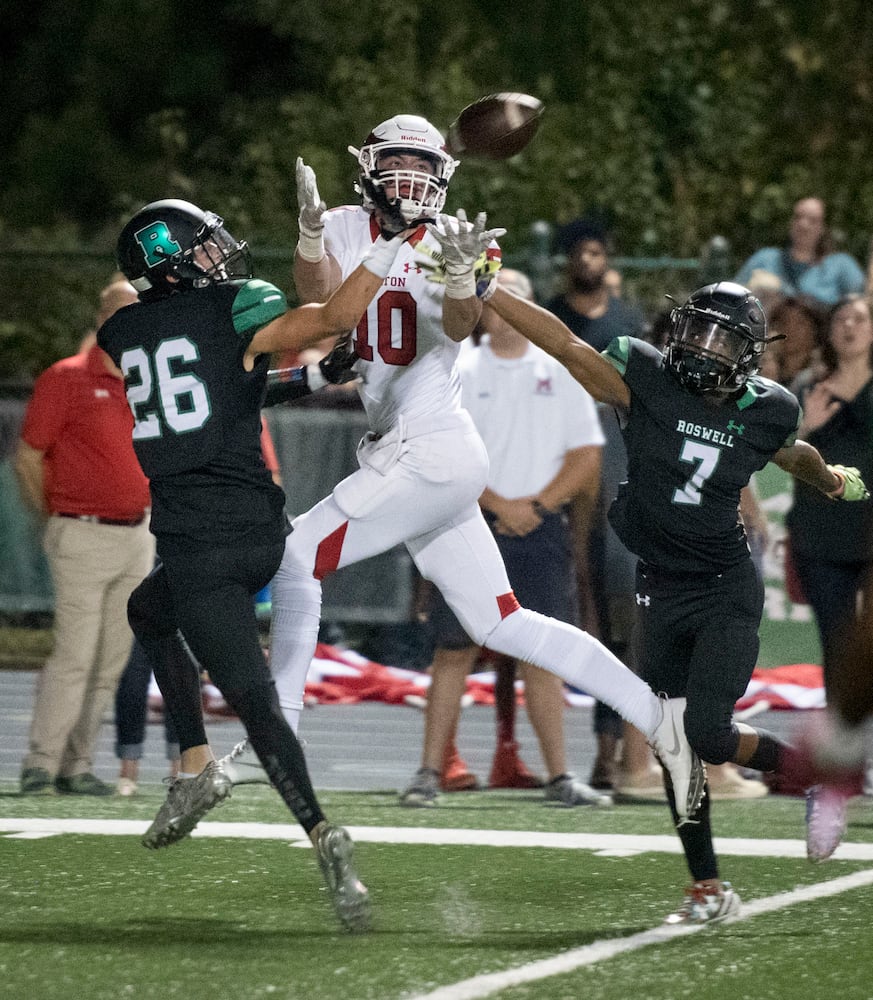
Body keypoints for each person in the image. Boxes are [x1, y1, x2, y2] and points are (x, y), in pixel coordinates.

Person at [220, 113, 706, 826]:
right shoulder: (354, 223)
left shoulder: (459, 238)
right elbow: (318, 307)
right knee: (500, 621)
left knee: (294, 556)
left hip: (430, 444)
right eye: (400, 167)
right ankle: (657, 717)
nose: (411, 183)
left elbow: (456, 326)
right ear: (372, 168)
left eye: (424, 169)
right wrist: (309, 233)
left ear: (441, 177)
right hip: (414, 448)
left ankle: (278, 732)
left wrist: (456, 279)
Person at [486, 276, 868, 924]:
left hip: (722, 588)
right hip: (658, 585)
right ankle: (705, 887)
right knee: (670, 740)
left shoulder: (764, 405)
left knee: (706, 733)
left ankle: (811, 773)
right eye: (695, 331)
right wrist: (489, 289)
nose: (701, 348)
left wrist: (830, 479)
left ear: (747, 353)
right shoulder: (645, 376)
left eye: (719, 339)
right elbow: (563, 343)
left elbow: (788, 453)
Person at [97, 197, 412, 932]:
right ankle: (194, 768)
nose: (219, 256)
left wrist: (308, 369)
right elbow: (327, 322)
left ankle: (321, 833)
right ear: (171, 266)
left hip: (202, 541)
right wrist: (386, 246)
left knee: (255, 702)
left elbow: (204, 388)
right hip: (260, 526)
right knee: (147, 609)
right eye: (202, 250)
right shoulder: (231, 309)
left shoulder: (123, 330)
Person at [398, 267, 611, 808]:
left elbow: (586, 455)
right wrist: (498, 504)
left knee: (542, 655)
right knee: (454, 650)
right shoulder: (456, 368)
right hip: (468, 524)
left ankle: (560, 776)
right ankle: (428, 772)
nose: (506, 306)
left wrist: (536, 506)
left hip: (540, 530)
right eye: (497, 295)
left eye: (518, 296)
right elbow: (437, 448)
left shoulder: (561, 370)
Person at [14, 278, 155, 796]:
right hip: (82, 531)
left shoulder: (148, 379)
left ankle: (76, 765)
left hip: (138, 535)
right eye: (122, 313)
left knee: (109, 662)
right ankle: (41, 762)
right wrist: (54, 515)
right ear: (101, 319)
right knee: (75, 655)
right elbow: (28, 456)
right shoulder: (67, 378)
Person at [543, 216, 647, 793]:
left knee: (624, 623)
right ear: (566, 261)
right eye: (579, 251)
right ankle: (597, 751)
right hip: (562, 475)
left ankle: (618, 752)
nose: (589, 259)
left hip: (620, 473)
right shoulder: (554, 315)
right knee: (582, 621)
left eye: (597, 250)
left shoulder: (630, 320)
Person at [784, 294, 873, 856]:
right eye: (841, 319)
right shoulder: (809, 390)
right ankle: (838, 779)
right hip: (823, 538)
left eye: (861, 318)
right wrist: (807, 430)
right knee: (839, 658)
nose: (850, 326)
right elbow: (783, 460)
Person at [735, 196, 865, 308]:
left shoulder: (841, 266)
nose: (803, 225)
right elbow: (732, 297)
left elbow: (863, 305)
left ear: (823, 228)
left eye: (812, 220)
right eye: (798, 217)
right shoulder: (764, 259)